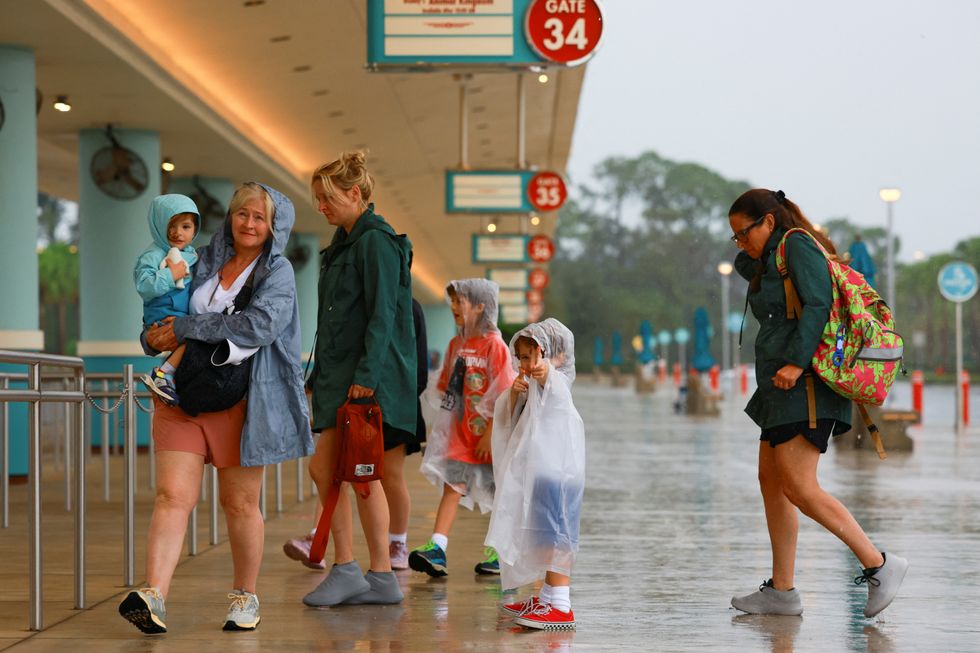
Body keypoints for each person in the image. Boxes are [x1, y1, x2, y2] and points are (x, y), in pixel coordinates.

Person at [118, 182, 314, 634]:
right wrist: (152, 337)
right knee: (172, 496)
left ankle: (245, 596)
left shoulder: (277, 271)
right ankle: (153, 595)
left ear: (273, 226)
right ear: (230, 216)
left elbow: (260, 324)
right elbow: (163, 304)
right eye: (242, 213)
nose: (249, 223)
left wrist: (187, 327)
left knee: (240, 503)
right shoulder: (202, 257)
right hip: (183, 395)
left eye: (259, 217)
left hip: (242, 398)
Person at [727, 188, 908, 618]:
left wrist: (795, 363)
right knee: (771, 481)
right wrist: (748, 249)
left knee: (800, 487)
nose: (740, 243)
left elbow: (820, 305)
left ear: (769, 221)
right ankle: (782, 592)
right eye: (734, 236)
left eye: (744, 232)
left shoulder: (797, 246)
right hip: (780, 388)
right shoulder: (771, 256)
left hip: (805, 384)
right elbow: (744, 266)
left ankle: (879, 565)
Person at [303, 151, 417, 607]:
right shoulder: (346, 241)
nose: (322, 208)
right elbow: (333, 320)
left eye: (328, 199)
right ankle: (378, 576)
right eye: (317, 200)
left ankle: (352, 568)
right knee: (356, 475)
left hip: (363, 380)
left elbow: (384, 313)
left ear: (356, 193)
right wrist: (317, 373)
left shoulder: (376, 243)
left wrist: (367, 376)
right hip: (339, 376)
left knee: (339, 471)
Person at [282, 296, 427, 571]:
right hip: (356, 404)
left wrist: (402, 400)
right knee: (335, 471)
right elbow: (344, 353)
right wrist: (317, 383)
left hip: (395, 404)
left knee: (390, 476)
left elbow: (416, 364)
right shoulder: (362, 303)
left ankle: (397, 542)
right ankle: (318, 536)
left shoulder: (409, 307)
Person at [409, 279, 515, 577]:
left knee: (499, 494)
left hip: (489, 437)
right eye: (452, 301)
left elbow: (504, 391)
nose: (454, 307)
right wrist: (440, 434)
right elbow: (448, 391)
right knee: (451, 488)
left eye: (461, 301)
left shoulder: (495, 346)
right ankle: (437, 548)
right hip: (460, 435)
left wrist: (491, 431)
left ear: (481, 307)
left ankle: (499, 553)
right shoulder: (457, 344)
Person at [487, 318, 585, 631]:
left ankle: (561, 603)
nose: (529, 365)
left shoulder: (557, 387)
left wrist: (545, 373)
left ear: (555, 355)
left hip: (557, 478)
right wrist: (514, 396)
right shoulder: (535, 389)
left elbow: (550, 383)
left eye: (534, 356)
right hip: (543, 476)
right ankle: (547, 595)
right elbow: (513, 425)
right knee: (544, 536)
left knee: (558, 536)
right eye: (524, 359)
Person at [133, 194, 200, 406]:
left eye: (186, 226)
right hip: (162, 318)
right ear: (158, 225)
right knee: (194, 338)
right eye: (171, 225)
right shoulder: (152, 255)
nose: (177, 232)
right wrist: (171, 275)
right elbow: (144, 285)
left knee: (197, 342)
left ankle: (168, 378)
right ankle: (162, 375)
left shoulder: (192, 255)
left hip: (181, 317)